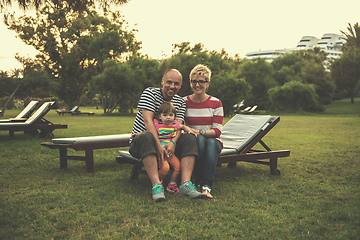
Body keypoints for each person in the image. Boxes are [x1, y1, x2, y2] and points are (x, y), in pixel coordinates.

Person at [129, 69, 204, 202]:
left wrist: (173, 143)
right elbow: (148, 122)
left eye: (176, 84)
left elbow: (178, 126)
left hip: (168, 145)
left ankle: (185, 184)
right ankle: (157, 185)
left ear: (180, 86)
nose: (172, 86)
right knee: (147, 136)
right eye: (169, 82)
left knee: (189, 136)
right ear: (162, 81)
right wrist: (158, 145)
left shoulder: (180, 102)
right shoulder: (149, 93)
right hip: (143, 143)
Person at [183, 64, 224, 199]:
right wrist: (194, 133)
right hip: (193, 142)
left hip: (213, 142)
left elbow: (217, 131)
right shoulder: (184, 102)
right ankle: (199, 181)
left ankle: (206, 186)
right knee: (199, 140)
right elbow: (180, 125)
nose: (197, 85)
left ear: (208, 83)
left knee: (210, 143)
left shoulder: (216, 103)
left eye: (201, 81)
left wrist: (200, 132)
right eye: (194, 81)